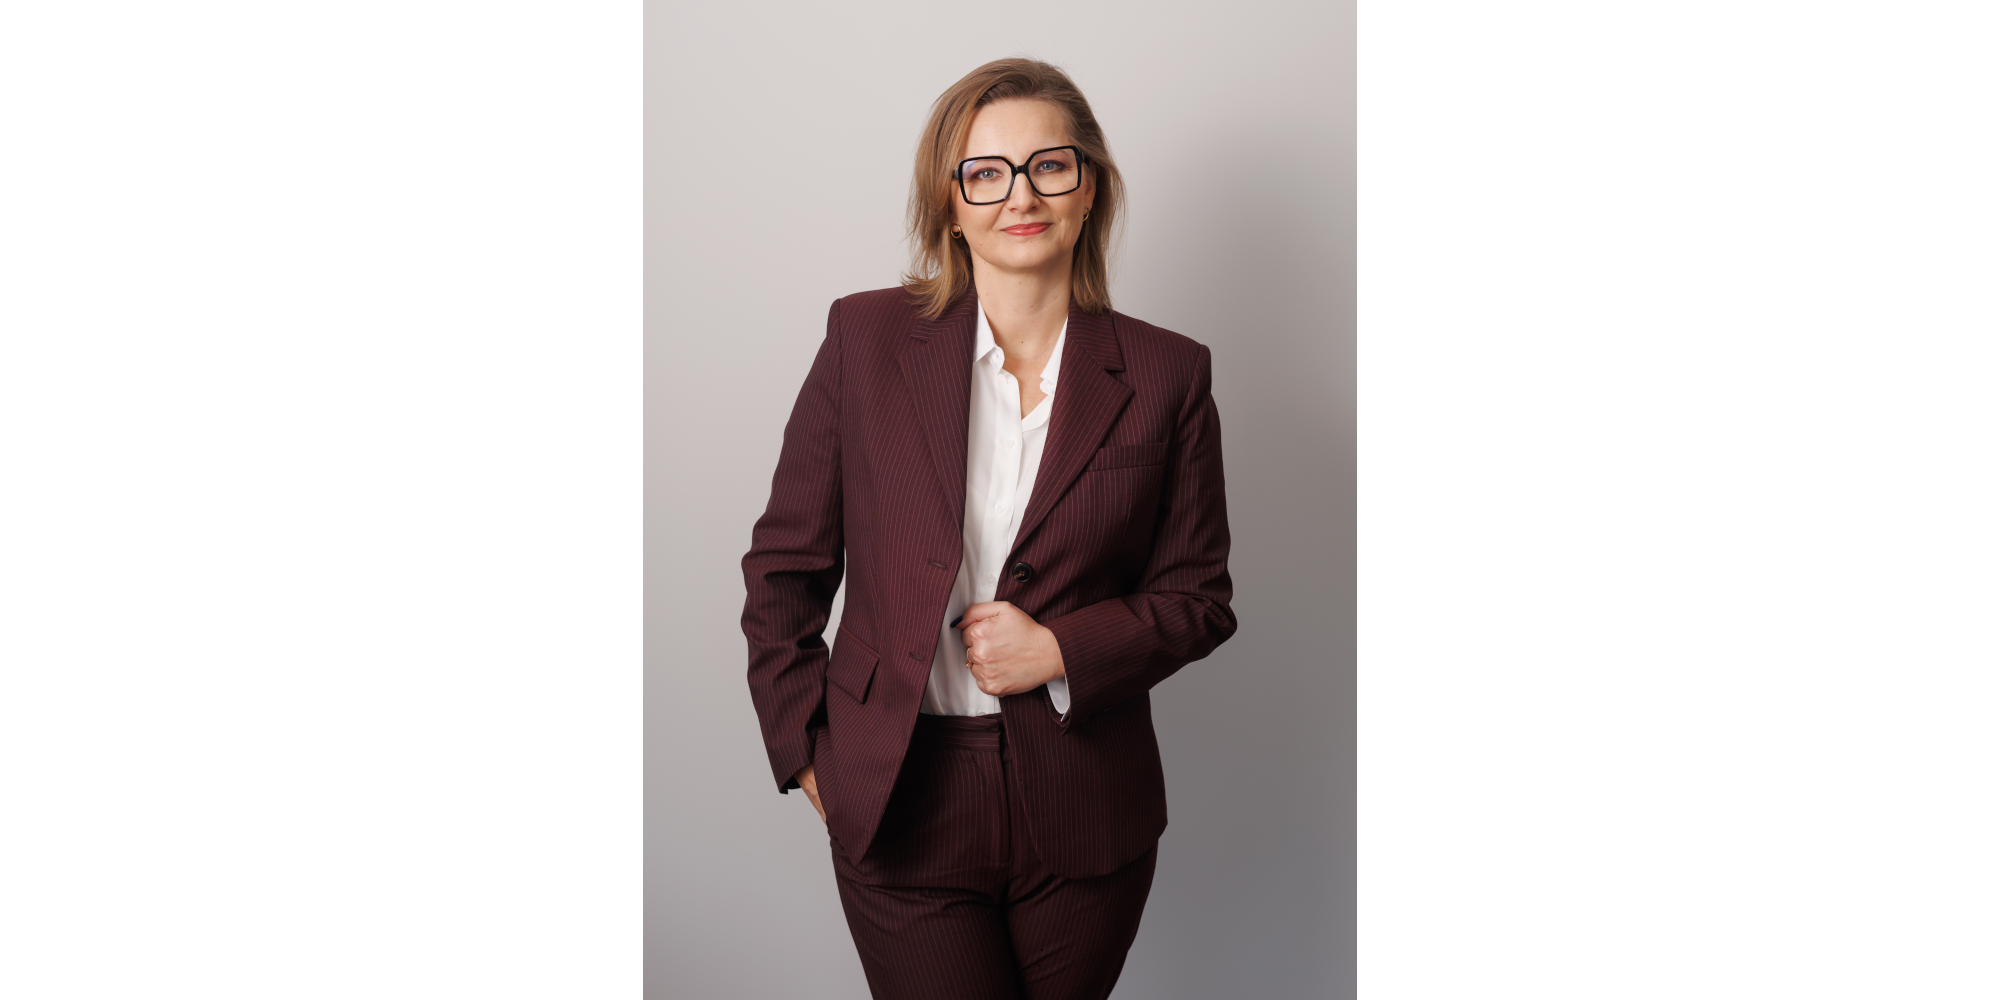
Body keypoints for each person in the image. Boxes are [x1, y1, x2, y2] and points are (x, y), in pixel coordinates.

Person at [741, 57, 1235, 1000]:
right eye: (987, 173)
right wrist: (805, 751)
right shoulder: (864, 341)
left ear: (1089, 188)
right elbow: (782, 569)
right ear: (951, 202)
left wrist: (1060, 650)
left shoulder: (1169, 374)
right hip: (901, 788)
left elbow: (1198, 599)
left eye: (1050, 165)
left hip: (1088, 803)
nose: (1022, 195)